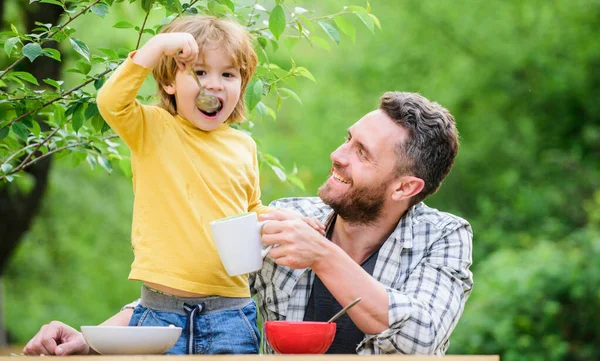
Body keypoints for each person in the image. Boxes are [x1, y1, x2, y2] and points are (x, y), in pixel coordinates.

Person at [23, 92, 473, 356]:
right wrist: (91, 341)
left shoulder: (444, 237)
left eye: (362, 153)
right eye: (347, 139)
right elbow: (191, 297)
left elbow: (421, 338)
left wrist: (322, 256)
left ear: (404, 188)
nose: (338, 155)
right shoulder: (290, 218)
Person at [92, 15, 322, 355]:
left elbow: (248, 211)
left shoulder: (243, 147)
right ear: (169, 81)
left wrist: (282, 220)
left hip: (230, 315)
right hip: (159, 313)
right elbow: (110, 102)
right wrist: (156, 47)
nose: (214, 84)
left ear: (241, 85)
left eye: (228, 74)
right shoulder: (153, 128)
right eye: (199, 72)